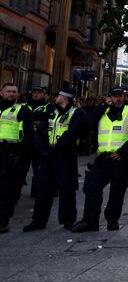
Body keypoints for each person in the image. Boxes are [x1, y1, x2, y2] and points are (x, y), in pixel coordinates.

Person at [72, 87, 128, 232]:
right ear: (110, 97)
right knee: (92, 187)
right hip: (102, 158)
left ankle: (112, 220)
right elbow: (88, 122)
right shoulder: (102, 111)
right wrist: (103, 105)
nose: (118, 99)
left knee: (117, 190)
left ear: (125, 97)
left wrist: (123, 152)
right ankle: (90, 221)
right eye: (115, 96)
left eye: (120, 96)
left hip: (120, 159)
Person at [24, 89, 83, 231]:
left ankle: (68, 220)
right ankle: (38, 221)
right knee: (43, 188)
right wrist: (42, 148)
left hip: (65, 156)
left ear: (65, 98)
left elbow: (72, 133)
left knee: (66, 189)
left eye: (58, 96)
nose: (55, 97)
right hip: (47, 156)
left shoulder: (76, 113)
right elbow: (41, 130)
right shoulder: (51, 111)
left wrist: (57, 148)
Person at [0, 83, 35, 233]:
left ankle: (3, 220)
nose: (11, 94)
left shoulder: (23, 110)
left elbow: (28, 134)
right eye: (8, 91)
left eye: (14, 91)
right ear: (1, 92)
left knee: (7, 188)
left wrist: (20, 154)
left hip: (12, 151)